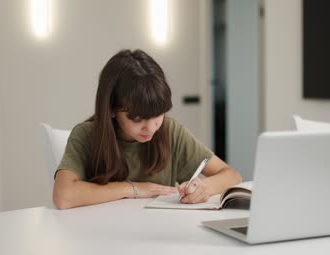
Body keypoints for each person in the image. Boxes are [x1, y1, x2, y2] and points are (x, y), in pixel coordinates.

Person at [53, 49, 241, 209]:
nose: (151, 127)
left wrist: (204, 187)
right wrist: (132, 189)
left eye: (158, 114)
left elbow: (231, 175)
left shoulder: (169, 131)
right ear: (111, 109)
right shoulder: (86, 136)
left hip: (157, 238)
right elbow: (63, 196)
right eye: (137, 118)